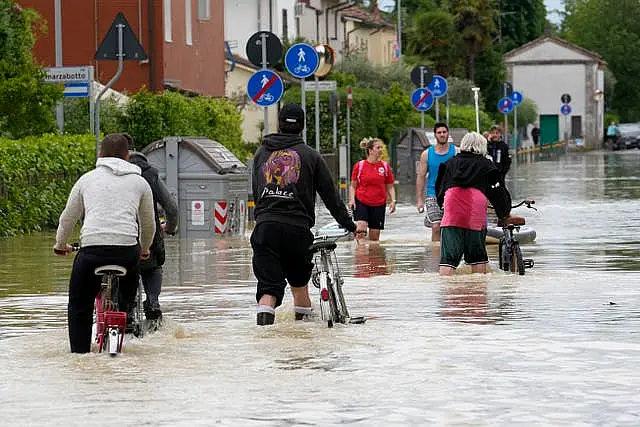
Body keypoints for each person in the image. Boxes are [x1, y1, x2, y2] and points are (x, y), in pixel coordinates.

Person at [251, 104, 357, 326]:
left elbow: (255, 191)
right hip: (297, 230)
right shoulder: (311, 156)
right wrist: (350, 225)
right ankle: (304, 338)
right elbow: (331, 198)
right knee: (299, 286)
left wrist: (262, 220)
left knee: (268, 289)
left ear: (279, 124)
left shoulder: (262, 153)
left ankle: (262, 337)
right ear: (303, 126)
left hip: (265, 228)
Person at [54, 133, 156, 353]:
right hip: (127, 252)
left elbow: (68, 218)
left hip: (91, 251)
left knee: (79, 305)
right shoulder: (140, 182)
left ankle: (80, 354)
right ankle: (125, 313)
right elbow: (149, 225)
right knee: (129, 291)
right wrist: (145, 248)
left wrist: (60, 244)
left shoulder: (86, 179)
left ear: (100, 155)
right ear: (128, 156)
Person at [435, 132, 514, 276]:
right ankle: (478, 292)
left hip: (452, 213)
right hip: (474, 212)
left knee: (448, 260)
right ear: (482, 146)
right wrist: (504, 212)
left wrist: (442, 205)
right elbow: (498, 192)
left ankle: (445, 291)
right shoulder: (487, 165)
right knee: (477, 257)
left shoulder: (449, 163)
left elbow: (440, 189)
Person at [127, 138, 178, 322]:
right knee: (152, 268)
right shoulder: (150, 174)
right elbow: (171, 208)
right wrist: (170, 228)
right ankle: (153, 302)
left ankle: (127, 310)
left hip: (118, 239)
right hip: (149, 237)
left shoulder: (104, 175)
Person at [348, 137, 396, 241]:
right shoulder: (359, 166)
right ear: (370, 150)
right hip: (361, 201)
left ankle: (372, 256)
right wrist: (352, 200)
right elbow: (353, 185)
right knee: (361, 229)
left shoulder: (385, 166)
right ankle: (360, 255)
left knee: (374, 239)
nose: (381, 150)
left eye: (381, 148)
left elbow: (390, 186)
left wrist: (393, 201)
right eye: (378, 147)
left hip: (379, 203)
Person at [416, 123, 456, 242]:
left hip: (452, 194)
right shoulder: (426, 154)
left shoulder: (456, 152)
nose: (442, 134)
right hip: (432, 193)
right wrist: (419, 200)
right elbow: (421, 177)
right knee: (436, 226)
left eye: (444, 132)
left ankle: (447, 254)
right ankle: (434, 256)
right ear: (435, 135)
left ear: (448, 134)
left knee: (449, 227)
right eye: (439, 132)